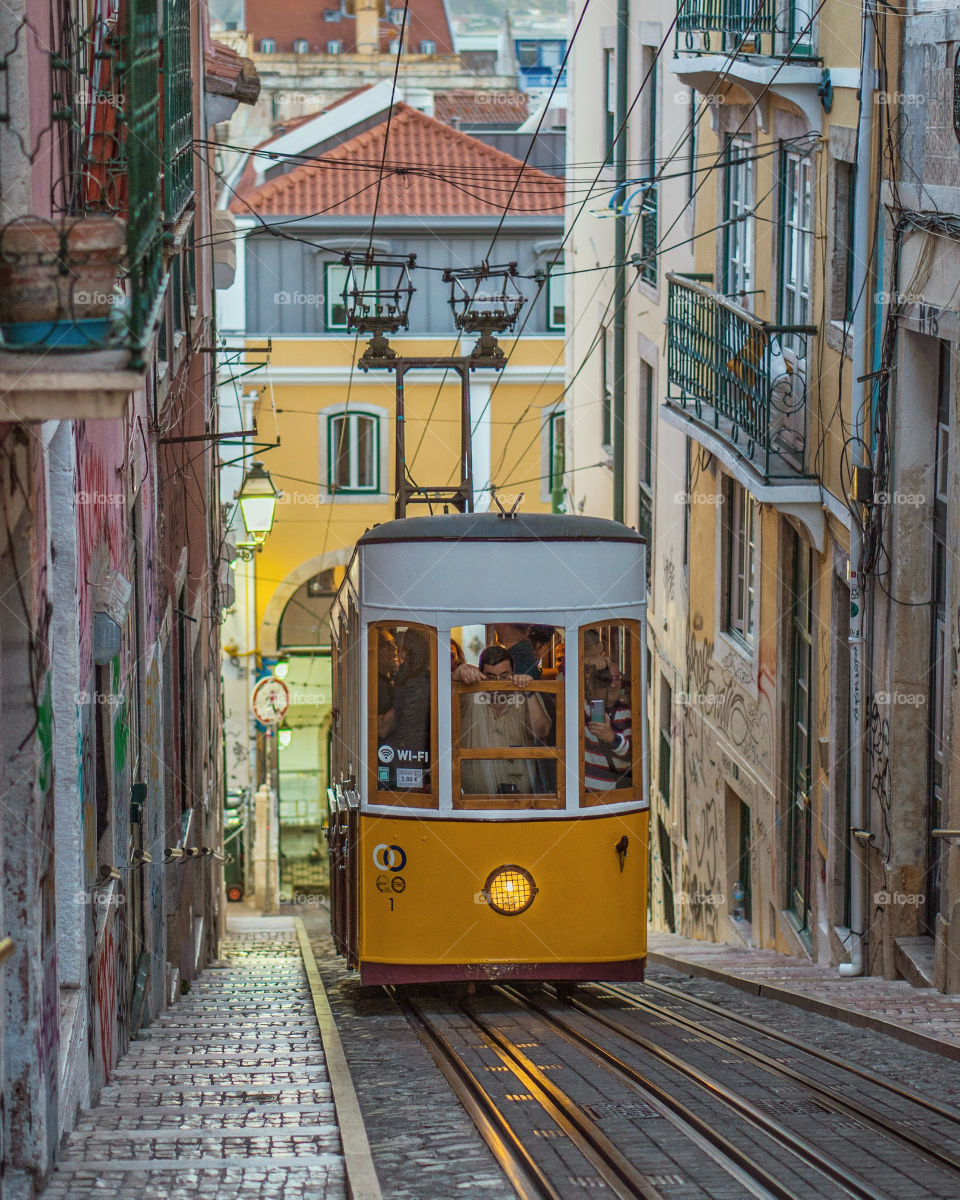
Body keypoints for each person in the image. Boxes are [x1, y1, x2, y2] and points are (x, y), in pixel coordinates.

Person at [458, 645, 551, 795]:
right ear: (481, 674)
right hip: (470, 804)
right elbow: (441, 690)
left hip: (518, 803)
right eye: (491, 677)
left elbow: (540, 732)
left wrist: (528, 691)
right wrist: (460, 671)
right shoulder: (468, 695)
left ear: (513, 672)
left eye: (503, 676)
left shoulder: (526, 696)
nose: (497, 684)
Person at [583, 664, 633, 792]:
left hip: (616, 796)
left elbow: (632, 754)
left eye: (617, 678)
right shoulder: (584, 708)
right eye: (607, 679)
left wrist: (611, 737)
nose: (613, 685)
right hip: (585, 797)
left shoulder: (629, 712)